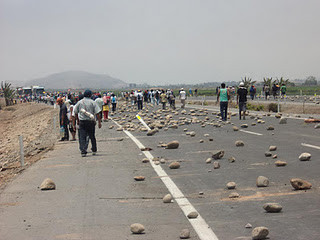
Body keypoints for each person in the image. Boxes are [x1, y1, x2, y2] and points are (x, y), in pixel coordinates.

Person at [73, 90, 102, 157]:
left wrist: (77, 120)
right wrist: (99, 122)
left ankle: (83, 151)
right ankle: (94, 149)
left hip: (82, 122)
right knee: (92, 136)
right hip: (91, 121)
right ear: (90, 95)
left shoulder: (79, 102)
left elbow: (75, 112)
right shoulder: (93, 102)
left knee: (82, 136)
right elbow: (97, 113)